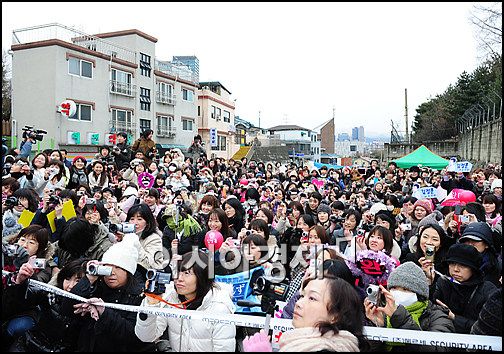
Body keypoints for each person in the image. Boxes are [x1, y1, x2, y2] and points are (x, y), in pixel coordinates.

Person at [60, 234, 155, 351]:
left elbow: (134, 336)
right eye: (107, 267)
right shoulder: (95, 286)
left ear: (128, 271)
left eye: (118, 268)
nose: (111, 272)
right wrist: (88, 279)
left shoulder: (139, 295)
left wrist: (104, 312)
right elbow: (66, 309)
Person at [135, 251, 236, 352]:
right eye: (177, 272)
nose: (179, 278)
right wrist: (151, 305)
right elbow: (146, 337)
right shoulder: (171, 298)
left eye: (187, 273)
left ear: (203, 277)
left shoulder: (219, 306)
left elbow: (224, 349)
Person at [243, 276, 368, 352]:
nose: (298, 303)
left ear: (335, 315)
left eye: (312, 298)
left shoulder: (327, 350)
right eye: (302, 296)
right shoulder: (297, 345)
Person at [364, 262, 455, 351]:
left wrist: (400, 318)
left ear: (420, 294)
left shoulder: (437, 316)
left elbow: (437, 349)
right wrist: (379, 327)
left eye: (405, 289)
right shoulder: (383, 313)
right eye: (394, 288)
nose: (398, 293)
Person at [433, 243, 497, 334]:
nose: (456, 269)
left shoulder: (487, 290)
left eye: (463, 265)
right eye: (452, 263)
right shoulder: (443, 282)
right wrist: (429, 284)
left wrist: (454, 318)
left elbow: (489, 327)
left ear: (473, 269)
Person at [457, 222, 501, 286]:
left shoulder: (495, 266)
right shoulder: (456, 260)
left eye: (475, 240)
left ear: (487, 244)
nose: (470, 244)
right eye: (466, 240)